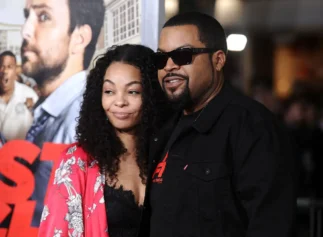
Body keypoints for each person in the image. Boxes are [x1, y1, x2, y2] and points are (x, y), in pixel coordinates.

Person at [141, 12, 297, 237]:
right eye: (161, 58)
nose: (169, 66)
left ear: (218, 60)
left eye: (183, 55)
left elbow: (271, 224)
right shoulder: (164, 127)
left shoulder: (252, 126)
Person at [38, 44, 166, 237]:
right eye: (109, 91)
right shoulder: (76, 162)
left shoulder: (169, 155)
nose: (119, 101)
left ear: (151, 96)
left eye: (133, 91)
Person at [20, 0, 105, 226]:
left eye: (44, 17)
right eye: (26, 15)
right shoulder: (52, 109)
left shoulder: (85, 117)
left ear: (79, 38)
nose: (25, 31)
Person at [0, 50, 38, 141]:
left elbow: (39, 128)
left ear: (15, 70)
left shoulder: (29, 95)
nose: (5, 71)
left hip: (22, 153)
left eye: (9, 67)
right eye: (1, 66)